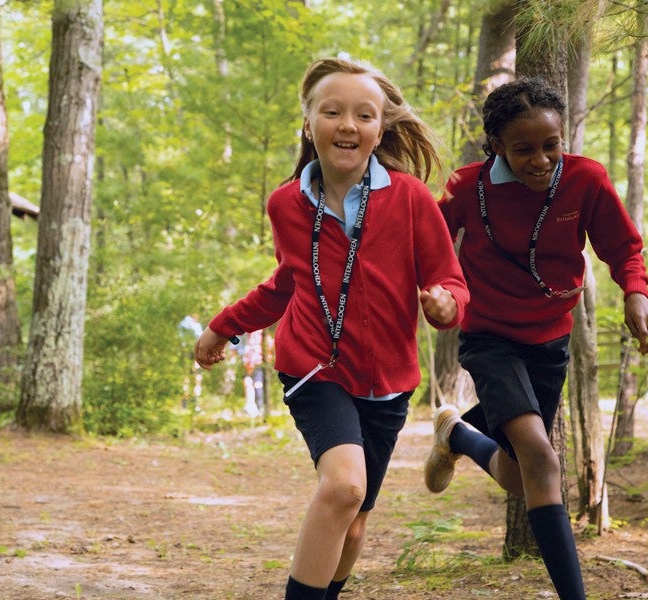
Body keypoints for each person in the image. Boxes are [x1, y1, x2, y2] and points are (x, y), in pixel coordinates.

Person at [195, 56, 470, 600]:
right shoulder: (285, 203)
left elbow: (449, 278)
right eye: (333, 111)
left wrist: (446, 305)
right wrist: (222, 327)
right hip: (313, 365)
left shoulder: (412, 198)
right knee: (344, 487)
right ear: (309, 122)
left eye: (364, 115)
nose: (348, 124)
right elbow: (284, 284)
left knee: (356, 519)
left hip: (389, 378)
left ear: (380, 129)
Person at [425, 77, 648, 600]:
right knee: (543, 459)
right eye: (523, 149)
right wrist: (430, 290)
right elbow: (423, 245)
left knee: (518, 475)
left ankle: (457, 435)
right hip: (489, 336)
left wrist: (635, 293)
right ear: (497, 147)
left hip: (550, 340)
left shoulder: (587, 181)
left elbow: (624, 248)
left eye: (550, 145)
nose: (540, 160)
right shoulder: (467, 188)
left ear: (564, 137)